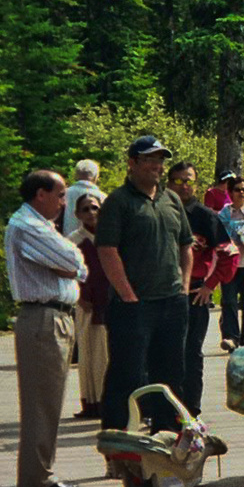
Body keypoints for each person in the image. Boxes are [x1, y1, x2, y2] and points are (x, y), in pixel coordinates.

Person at [96, 135, 193, 436]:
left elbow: (186, 246)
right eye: (149, 159)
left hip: (171, 301)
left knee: (171, 376)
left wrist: (184, 288)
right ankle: (116, 441)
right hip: (134, 305)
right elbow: (107, 250)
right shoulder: (118, 202)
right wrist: (127, 294)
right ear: (132, 163)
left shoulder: (171, 199)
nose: (157, 166)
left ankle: (166, 439)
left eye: (160, 159)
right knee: (127, 375)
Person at [5, 171, 87, 487]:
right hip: (43, 319)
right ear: (41, 194)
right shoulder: (27, 227)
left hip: (54, 316)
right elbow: (73, 257)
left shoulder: (39, 226)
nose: (64, 202)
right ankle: (37, 477)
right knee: (42, 402)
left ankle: (39, 473)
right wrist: (70, 264)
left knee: (49, 402)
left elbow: (74, 265)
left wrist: (70, 265)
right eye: (60, 194)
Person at [166, 161, 238, 417]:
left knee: (191, 352)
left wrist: (210, 285)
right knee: (161, 352)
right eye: (178, 181)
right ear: (168, 183)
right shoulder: (160, 211)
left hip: (195, 291)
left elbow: (230, 255)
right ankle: (160, 409)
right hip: (160, 291)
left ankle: (190, 409)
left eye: (189, 181)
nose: (184, 186)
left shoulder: (206, 216)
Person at [69, 193, 111, 420]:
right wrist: (79, 298)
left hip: (110, 303)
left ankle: (108, 401)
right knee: (87, 355)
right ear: (77, 214)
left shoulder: (110, 236)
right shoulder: (73, 241)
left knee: (107, 354)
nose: (91, 213)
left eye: (95, 208)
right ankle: (91, 402)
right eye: (85, 209)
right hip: (86, 304)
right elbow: (66, 272)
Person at [218, 176, 244, 349]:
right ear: (230, 192)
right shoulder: (224, 215)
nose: (241, 193)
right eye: (237, 190)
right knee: (229, 301)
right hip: (229, 264)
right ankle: (231, 337)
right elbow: (220, 235)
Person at [62, 160, 105, 236]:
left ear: (76, 175)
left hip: (66, 242)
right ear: (96, 177)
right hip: (94, 243)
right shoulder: (103, 197)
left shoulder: (63, 194)